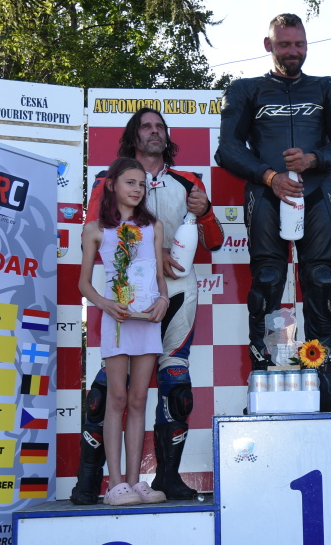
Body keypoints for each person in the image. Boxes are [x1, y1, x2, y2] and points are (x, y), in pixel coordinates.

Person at [70, 108, 224, 505]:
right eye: (146, 126)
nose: (155, 132)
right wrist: (149, 264)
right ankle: (92, 479)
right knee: (109, 390)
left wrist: (205, 212)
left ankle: (166, 478)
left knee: (175, 385)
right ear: (133, 135)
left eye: (160, 127)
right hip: (126, 297)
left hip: (175, 292)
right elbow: (99, 235)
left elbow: (215, 241)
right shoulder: (107, 180)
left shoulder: (188, 181)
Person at [214, 13, 331, 412]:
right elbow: (227, 150)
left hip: (316, 194)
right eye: (284, 45)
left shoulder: (329, 88)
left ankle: (324, 383)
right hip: (266, 195)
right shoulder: (245, 89)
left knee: (322, 284)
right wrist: (270, 176)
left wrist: (314, 159)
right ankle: (262, 382)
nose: (293, 52)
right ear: (269, 45)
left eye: (299, 44)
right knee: (266, 284)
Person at [78, 157, 169, 505]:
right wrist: (105, 304)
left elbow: (159, 276)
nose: (137, 189)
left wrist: (163, 299)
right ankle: (114, 484)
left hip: (147, 321)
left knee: (139, 399)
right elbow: (84, 284)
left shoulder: (154, 226)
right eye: (130, 182)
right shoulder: (95, 229)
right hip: (116, 320)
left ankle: (134, 482)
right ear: (112, 185)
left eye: (142, 184)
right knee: (116, 398)